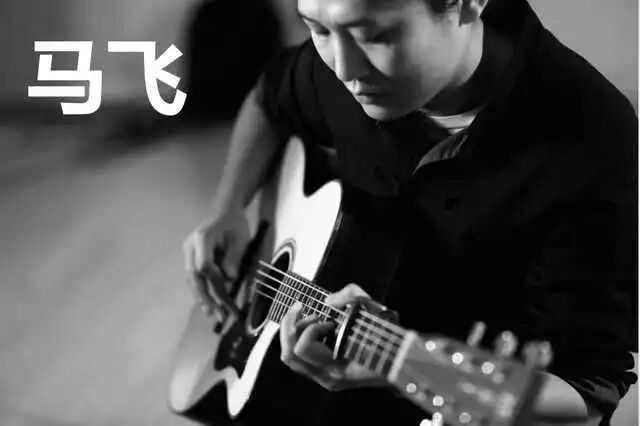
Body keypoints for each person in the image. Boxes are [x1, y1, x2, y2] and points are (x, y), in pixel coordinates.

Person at [182, 0, 637, 425]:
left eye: (374, 35)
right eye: (317, 29)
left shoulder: (596, 143)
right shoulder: (345, 59)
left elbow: (586, 395)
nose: (343, 70)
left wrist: (405, 368)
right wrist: (227, 207)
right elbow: (270, 96)